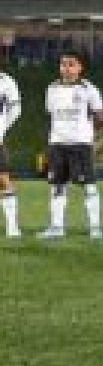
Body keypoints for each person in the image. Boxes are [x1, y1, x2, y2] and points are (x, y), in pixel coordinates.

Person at [40, 51, 103, 239]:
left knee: (89, 186)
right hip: (57, 144)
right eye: (63, 64)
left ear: (79, 67)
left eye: (71, 64)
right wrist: (49, 142)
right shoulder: (52, 88)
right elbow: (50, 115)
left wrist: (88, 120)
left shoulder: (89, 88)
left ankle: (95, 228)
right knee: (57, 186)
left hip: (80, 144)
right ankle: (56, 227)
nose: (66, 68)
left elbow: (101, 115)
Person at [0, 62, 19, 237]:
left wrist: (2, 128)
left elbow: (15, 110)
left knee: (3, 180)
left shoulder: (7, 82)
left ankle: (12, 227)